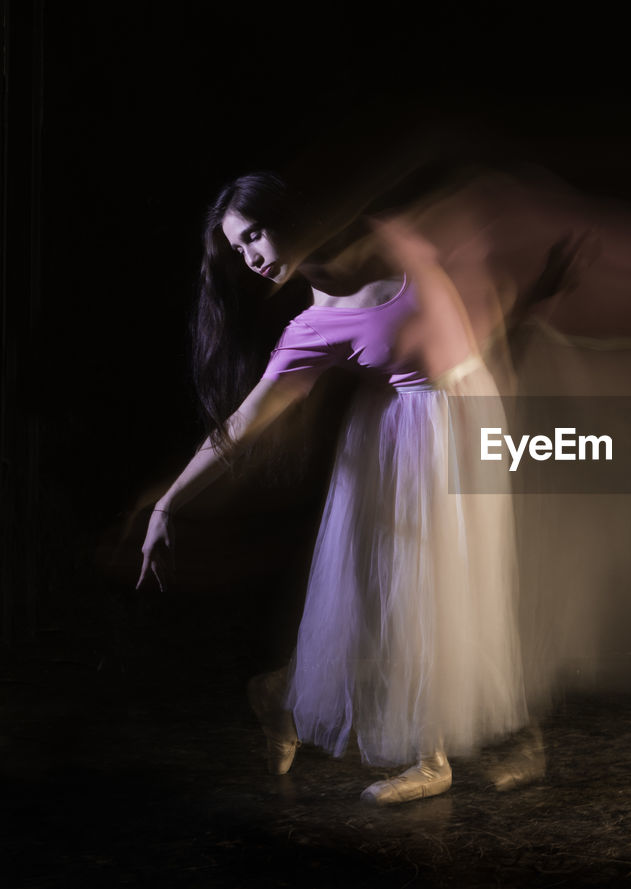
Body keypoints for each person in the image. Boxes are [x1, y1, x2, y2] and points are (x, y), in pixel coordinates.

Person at [138, 172, 527, 805]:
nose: (253, 259)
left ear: (289, 215)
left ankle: (278, 692)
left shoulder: (389, 235)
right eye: (239, 251)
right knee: (408, 593)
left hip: (474, 414)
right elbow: (239, 426)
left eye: (255, 235)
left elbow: (476, 269)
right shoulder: (313, 329)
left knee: (455, 588)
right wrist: (167, 501)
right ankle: (429, 758)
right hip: (413, 444)